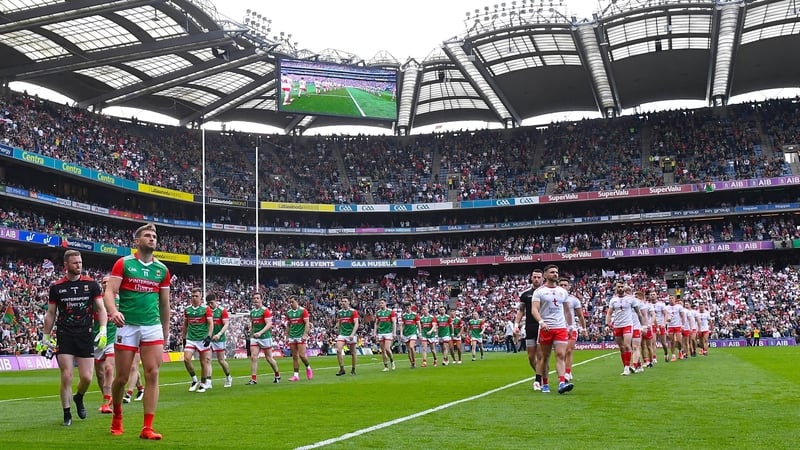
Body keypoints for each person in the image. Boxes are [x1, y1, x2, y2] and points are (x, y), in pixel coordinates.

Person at [105, 223, 171, 440]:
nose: (152, 238)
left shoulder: (162, 270)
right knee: (122, 378)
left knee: (152, 374)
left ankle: (147, 428)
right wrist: (113, 311)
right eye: (147, 235)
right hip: (128, 325)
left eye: (154, 236)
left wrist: (166, 331)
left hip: (152, 327)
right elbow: (109, 292)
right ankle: (117, 415)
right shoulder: (123, 264)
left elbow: (164, 305)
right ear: (136, 240)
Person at [43, 250, 107, 426]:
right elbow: (51, 313)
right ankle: (66, 414)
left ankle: (79, 398)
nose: (79, 265)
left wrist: (102, 329)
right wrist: (45, 335)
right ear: (66, 265)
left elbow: (101, 309)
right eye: (75, 263)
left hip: (85, 334)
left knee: (87, 377)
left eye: (80, 262)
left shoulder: (92, 285)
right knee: (67, 375)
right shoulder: (56, 287)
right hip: (65, 335)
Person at [530, 265, 573, 394]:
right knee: (544, 357)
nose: (555, 274)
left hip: (560, 327)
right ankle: (545, 383)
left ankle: (561, 383)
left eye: (556, 272)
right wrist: (541, 322)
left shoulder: (563, 292)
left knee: (561, 355)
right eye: (552, 272)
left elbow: (566, 310)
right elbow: (534, 309)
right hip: (546, 328)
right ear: (545, 275)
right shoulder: (539, 292)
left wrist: (570, 326)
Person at [605, 281, 644, 375]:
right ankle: (625, 366)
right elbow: (609, 313)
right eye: (618, 286)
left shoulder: (631, 299)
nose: (620, 288)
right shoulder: (613, 300)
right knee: (621, 347)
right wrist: (607, 324)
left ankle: (627, 367)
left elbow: (638, 313)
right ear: (615, 288)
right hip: (617, 325)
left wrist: (643, 325)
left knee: (627, 345)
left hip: (628, 325)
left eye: (622, 286)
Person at [514, 268, 542, 389]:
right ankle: (541, 374)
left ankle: (538, 380)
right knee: (531, 357)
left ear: (542, 278)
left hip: (542, 327)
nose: (536, 279)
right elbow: (521, 310)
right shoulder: (525, 294)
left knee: (541, 356)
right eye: (534, 277)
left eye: (538, 277)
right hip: (530, 327)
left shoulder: (545, 293)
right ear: (531, 278)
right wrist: (516, 324)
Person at [182, 287, 213, 393]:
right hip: (191, 338)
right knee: (186, 359)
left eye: (196, 296)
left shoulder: (206, 309)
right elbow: (185, 325)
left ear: (201, 297)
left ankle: (203, 383)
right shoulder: (187, 310)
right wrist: (184, 338)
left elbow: (210, 323)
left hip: (202, 339)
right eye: (193, 296)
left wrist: (209, 336)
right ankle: (195, 380)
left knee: (203, 362)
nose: (194, 298)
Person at [248, 292, 281, 384]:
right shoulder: (253, 312)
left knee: (269, 358)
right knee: (253, 357)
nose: (256, 300)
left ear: (261, 299)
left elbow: (269, 324)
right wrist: (251, 330)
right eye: (254, 298)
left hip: (265, 337)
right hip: (255, 337)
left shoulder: (265, 310)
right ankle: (253, 379)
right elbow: (252, 322)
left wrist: (260, 332)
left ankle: (277, 374)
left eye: (258, 298)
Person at [94, 275, 116, 414]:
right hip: (97, 340)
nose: (105, 284)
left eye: (107, 282)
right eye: (103, 282)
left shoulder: (120, 299)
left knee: (109, 369)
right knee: (100, 374)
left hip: (113, 339)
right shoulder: (96, 301)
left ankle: (106, 402)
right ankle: (107, 398)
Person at [559, 277, 586, 382]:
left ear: (569, 287)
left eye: (565, 285)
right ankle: (565, 372)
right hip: (559, 328)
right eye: (561, 285)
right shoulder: (554, 299)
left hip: (571, 328)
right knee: (562, 353)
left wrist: (584, 328)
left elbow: (580, 315)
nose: (563, 287)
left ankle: (567, 372)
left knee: (568, 350)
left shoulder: (574, 300)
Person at [207, 293, 233, 388]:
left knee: (221, 360)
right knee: (207, 360)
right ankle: (208, 381)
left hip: (219, 339)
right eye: (208, 303)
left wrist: (219, 334)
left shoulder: (222, 311)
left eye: (211, 303)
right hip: (209, 338)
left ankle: (228, 376)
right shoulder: (207, 310)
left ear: (216, 300)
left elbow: (226, 324)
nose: (210, 305)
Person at [285, 295, 313, 381]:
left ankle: (308, 367)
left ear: (297, 301)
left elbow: (307, 323)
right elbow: (288, 325)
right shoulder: (289, 312)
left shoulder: (303, 311)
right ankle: (296, 375)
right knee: (294, 357)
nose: (291, 304)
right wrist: (287, 336)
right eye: (290, 302)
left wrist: (305, 334)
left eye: (292, 302)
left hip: (300, 336)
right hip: (292, 336)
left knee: (302, 355)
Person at [335, 297, 359, 376]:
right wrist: (337, 327)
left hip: (351, 334)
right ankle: (342, 369)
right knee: (338, 350)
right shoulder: (340, 312)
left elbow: (356, 323)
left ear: (349, 302)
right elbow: (339, 322)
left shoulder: (353, 312)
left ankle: (353, 369)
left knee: (353, 352)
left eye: (345, 301)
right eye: (342, 301)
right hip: (342, 334)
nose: (343, 303)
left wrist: (352, 334)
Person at [373, 299, 396, 372]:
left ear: (385, 303)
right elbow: (376, 323)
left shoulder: (390, 312)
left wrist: (394, 332)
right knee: (383, 350)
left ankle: (392, 361)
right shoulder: (378, 313)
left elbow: (394, 322)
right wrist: (374, 332)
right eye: (380, 303)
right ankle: (386, 366)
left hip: (388, 332)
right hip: (380, 332)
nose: (381, 304)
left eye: (382, 303)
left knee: (387, 348)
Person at [399, 303, 420, 368]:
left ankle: (414, 361)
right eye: (406, 307)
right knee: (408, 350)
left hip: (413, 333)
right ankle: (412, 363)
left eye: (408, 307)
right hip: (406, 334)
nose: (407, 309)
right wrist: (401, 333)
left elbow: (418, 324)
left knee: (411, 347)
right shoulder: (403, 315)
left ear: (410, 307)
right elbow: (402, 325)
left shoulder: (414, 315)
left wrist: (420, 332)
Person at [665, 295, 685, 362]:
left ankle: (680, 351)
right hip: (670, 326)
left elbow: (682, 316)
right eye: (669, 298)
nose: (671, 299)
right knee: (672, 341)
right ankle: (673, 355)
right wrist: (667, 320)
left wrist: (683, 325)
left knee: (679, 341)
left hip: (678, 325)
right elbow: (665, 316)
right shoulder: (666, 307)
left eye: (672, 298)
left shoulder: (679, 307)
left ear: (675, 299)